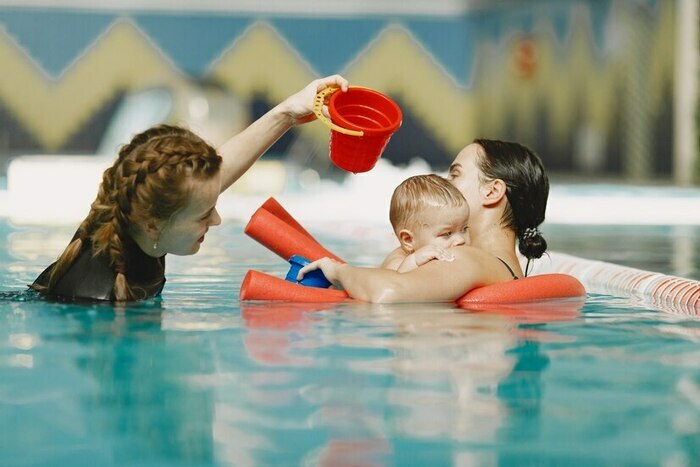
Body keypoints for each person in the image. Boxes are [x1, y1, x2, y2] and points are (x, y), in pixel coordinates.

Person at [31, 75, 350, 301]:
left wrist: (288, 111)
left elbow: (215, 173)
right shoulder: (101, 297)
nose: (216, 221)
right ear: (154, 223)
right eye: (203, 215)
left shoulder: (136, 215)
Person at [298, 138, 549, 303]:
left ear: (492, 192)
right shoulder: (504, 269)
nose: (442, 184)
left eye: (454, 175)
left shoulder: (462, 258)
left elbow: (387, 294)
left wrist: (338, 270)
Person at [380, 174, 469, 272]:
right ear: (408, 240)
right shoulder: (396, 264)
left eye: (464, 228)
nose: (461, 240)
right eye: (447, 234)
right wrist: (414, 261)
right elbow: (395, 284)